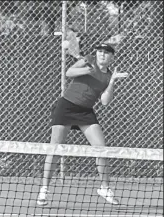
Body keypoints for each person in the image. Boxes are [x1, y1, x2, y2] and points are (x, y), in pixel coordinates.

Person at [37, 41, 128, 206]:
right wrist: (86, 69)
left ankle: (105, 188)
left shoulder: (108, 75)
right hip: (66, 107)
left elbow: (105, 102)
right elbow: (69, 72)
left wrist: (112, 81)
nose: (102, 54)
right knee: (55, 148)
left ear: (112, 57)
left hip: (85, 112)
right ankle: (44, 189)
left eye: (106, 52)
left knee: (102, 150)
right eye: (100, 51)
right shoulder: (88, 60)